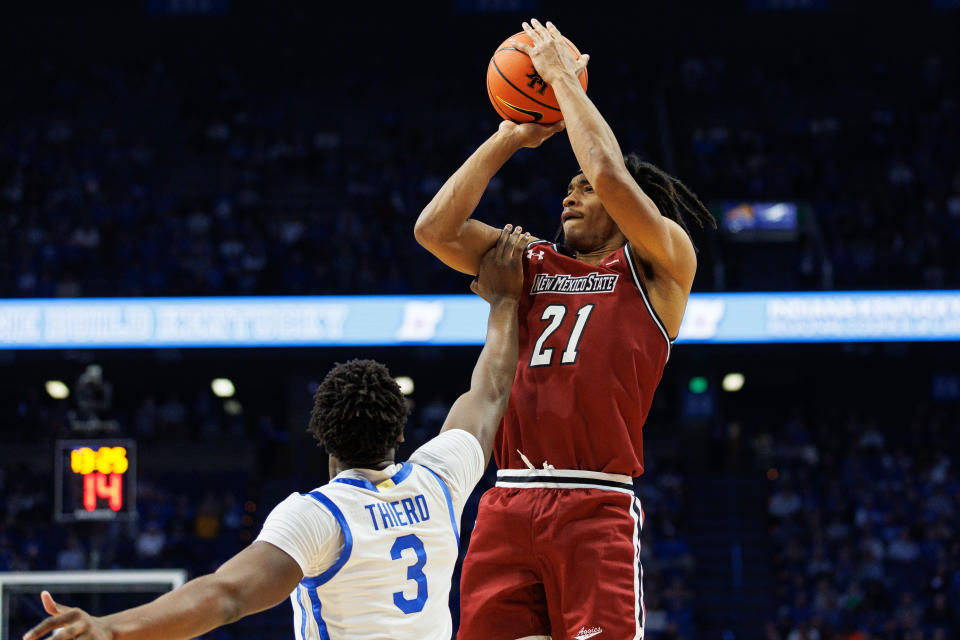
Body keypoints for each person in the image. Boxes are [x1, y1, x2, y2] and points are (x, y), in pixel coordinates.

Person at [23, 228, 530, 640]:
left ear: (324, 438)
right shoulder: (439, 481)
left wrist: (111, 629)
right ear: (399, 432)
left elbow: (226, 596)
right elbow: (488, 391)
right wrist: (505, 301)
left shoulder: (318, 515)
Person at [414, 19, 715, 640]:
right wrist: (506, 139)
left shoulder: (660, 262)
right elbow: (434, 230)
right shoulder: (526, 262)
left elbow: (608, 173)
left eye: (582, 191)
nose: (568, 198)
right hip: (506, 497)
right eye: (567, 189)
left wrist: (559, 78)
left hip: (595, 502)